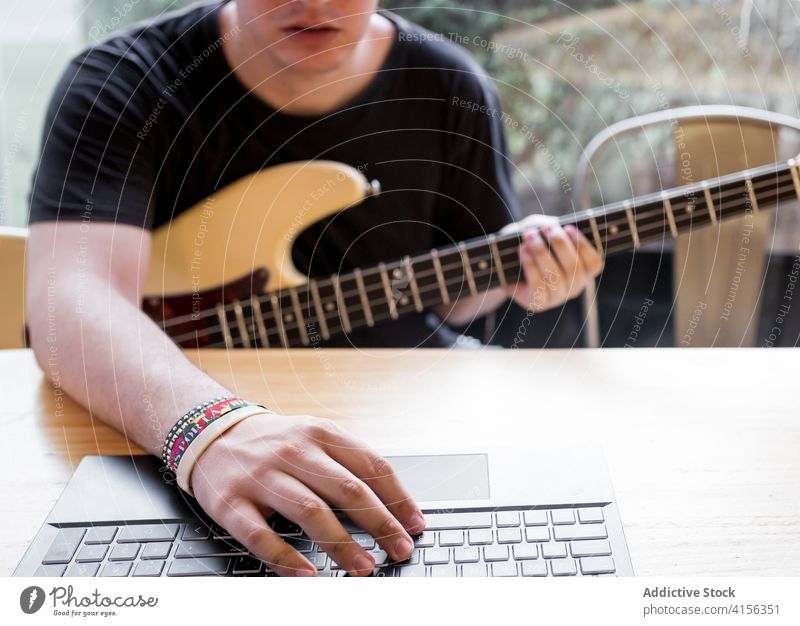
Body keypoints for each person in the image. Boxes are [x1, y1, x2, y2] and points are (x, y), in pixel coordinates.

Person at [25, 0, 603, 576]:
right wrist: (207, 430)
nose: (315, 1)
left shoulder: (447, 82)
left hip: (406, 421)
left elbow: (455, 307)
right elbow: (70, 300)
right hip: (175, 430)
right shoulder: (123, 80)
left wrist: (517, 273)